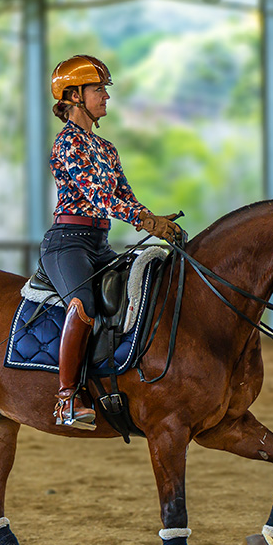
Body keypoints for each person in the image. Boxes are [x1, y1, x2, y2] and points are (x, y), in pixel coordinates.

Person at [40, 54, 184, 429]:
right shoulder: (67, 144)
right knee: (84, 301)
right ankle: (67, 397)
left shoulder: (106, 149)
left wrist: (153, 217)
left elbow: (125, 197)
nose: (105, 97)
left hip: (99, 242)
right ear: (74, 96)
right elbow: (99, 198)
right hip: (67, 242)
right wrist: (144, 221)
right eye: (98, 90)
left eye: (105, 90)